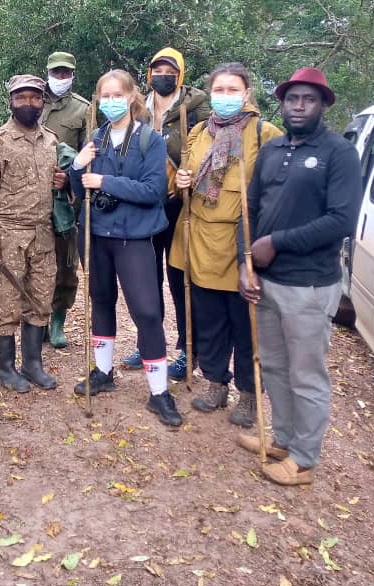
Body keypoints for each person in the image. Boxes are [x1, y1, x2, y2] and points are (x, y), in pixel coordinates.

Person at [238, 68, 361, 486]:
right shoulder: (272, 151)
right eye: (293, 99)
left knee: (306, 373)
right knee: (273, 365)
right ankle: (284, 440)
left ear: (324, 104)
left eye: (308, 99)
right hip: (267, 281)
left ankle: (304, 460)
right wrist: (246, 261)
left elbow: (341, 220)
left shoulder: (338, 152)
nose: (299, 106)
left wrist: (278, 242)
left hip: (309, 284)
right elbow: (250, 210)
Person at [170, 62, 282, 427]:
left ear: (247, 93)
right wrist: (183, 180)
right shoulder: (199, 131)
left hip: (242, 241)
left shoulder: (264, 133)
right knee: (209, 319)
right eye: (219, 90)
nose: (225, 97)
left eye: (233, 90)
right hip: (201, 237)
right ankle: (216, 382)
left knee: (245, 322)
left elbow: (279, 189)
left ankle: (249, 395)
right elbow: (182, 182)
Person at [70, 69, 182, 427]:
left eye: (118, 95)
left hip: (134, 237)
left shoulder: (151, 140)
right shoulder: (95, 138)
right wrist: (77, 166)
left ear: (133, 97)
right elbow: (78, 188)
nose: (110, 102)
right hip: (96, 234)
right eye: (105, 96)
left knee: (147, 311)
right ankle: (103, 373)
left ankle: (159, 392)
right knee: (101, 301)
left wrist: (106, 180)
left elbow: (153, 192)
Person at [122, 47, 209, 380]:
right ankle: (149, 342)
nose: (163, 75)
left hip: (179, 204)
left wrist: (188, 175)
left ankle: (189, 350)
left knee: (180, 277)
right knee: (147, 277)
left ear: (180, 74)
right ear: (149, 74)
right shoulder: (139, 107)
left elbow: (205, 152)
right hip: (145, 202)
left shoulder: (195, 108)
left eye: (170, 71)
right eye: (158, 69)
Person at [0, 75, 64, 393]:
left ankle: (33, 364)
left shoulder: (52, 141)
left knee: (40, 300)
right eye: (21, 98)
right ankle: (6, 367)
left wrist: (63, 183)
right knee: (8, 302)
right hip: (8, 234)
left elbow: (59, 186)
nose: (29, 103)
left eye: (35, 98)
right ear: (11, 102)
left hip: (43, 234)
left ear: (43, 102)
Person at [40, 51, 92, 348]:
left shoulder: (82, 110)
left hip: (64, 198)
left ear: (73, 74)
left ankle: (58, 319)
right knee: (32, 260)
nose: (60, 78)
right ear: (47, 72)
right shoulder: (31, 99)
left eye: (65, 73)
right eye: (56, 72)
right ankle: (38, 319)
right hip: (31, 195)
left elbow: (87, 157)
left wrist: (69, 179)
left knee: (65, 262)